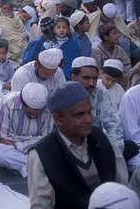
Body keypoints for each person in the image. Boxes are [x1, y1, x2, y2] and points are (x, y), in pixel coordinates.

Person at [26, 81, 129, 209]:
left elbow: (123, 187)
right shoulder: (41, 154)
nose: (88, 119)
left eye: (89, 112)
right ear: (58, 118)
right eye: (79, 114)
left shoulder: (100, 138)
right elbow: (41, 206)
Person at [0, 83, 52, 178]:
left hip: (35, 149)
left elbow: (46, 139)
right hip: (13, 149)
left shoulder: (49, 108)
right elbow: (1, 138)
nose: (34, 117)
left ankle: (22, 167)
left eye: (38, 114)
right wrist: (32, 140)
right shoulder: (7, 103)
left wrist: (17, 144)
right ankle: (34, 167)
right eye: (30, 113)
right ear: (22, 103)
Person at [70, 56, 125, 154]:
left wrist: (116, 152)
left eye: (95, 78)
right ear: (73, 77)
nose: (91, 83)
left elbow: (112, 123)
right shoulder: (64, 95)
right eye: (86, 78)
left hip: (94, 142)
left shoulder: (100, 92)